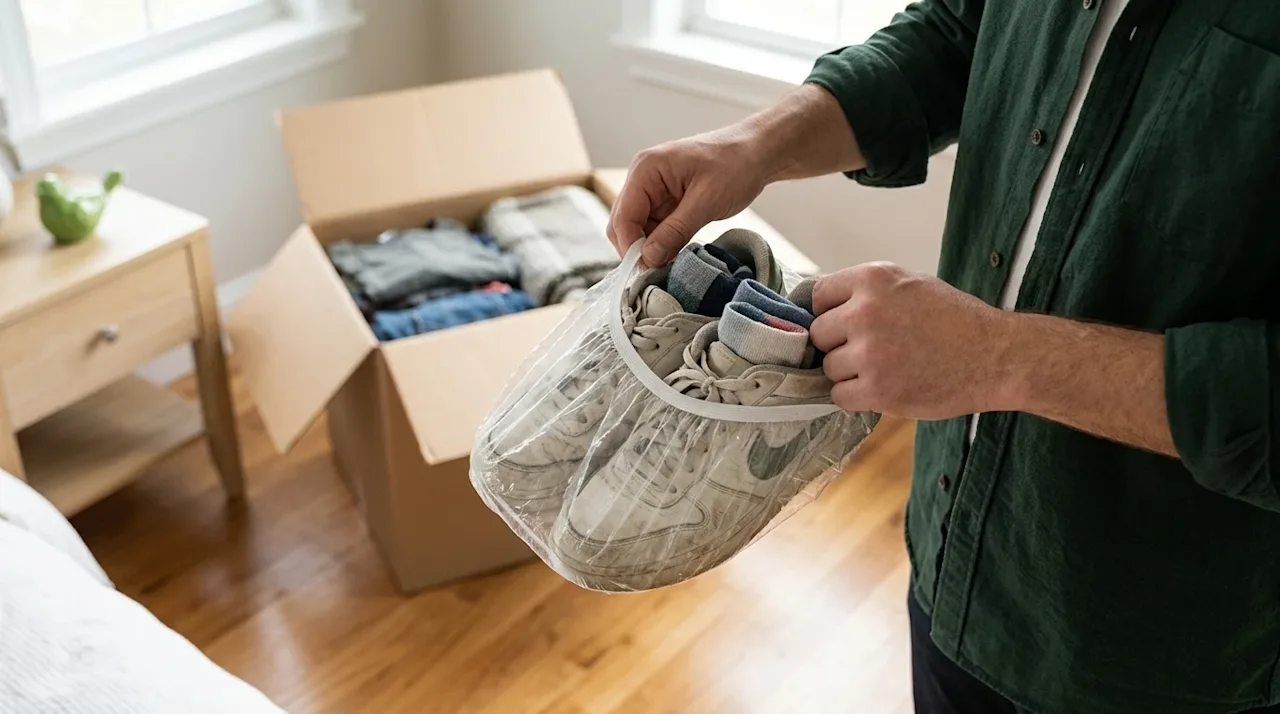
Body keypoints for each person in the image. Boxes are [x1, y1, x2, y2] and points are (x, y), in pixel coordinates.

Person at [605, 1, 1280, 713]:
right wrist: (756, 143)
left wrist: (998, 357)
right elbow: (959, 33)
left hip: (1168, 659)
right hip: (951, 550)